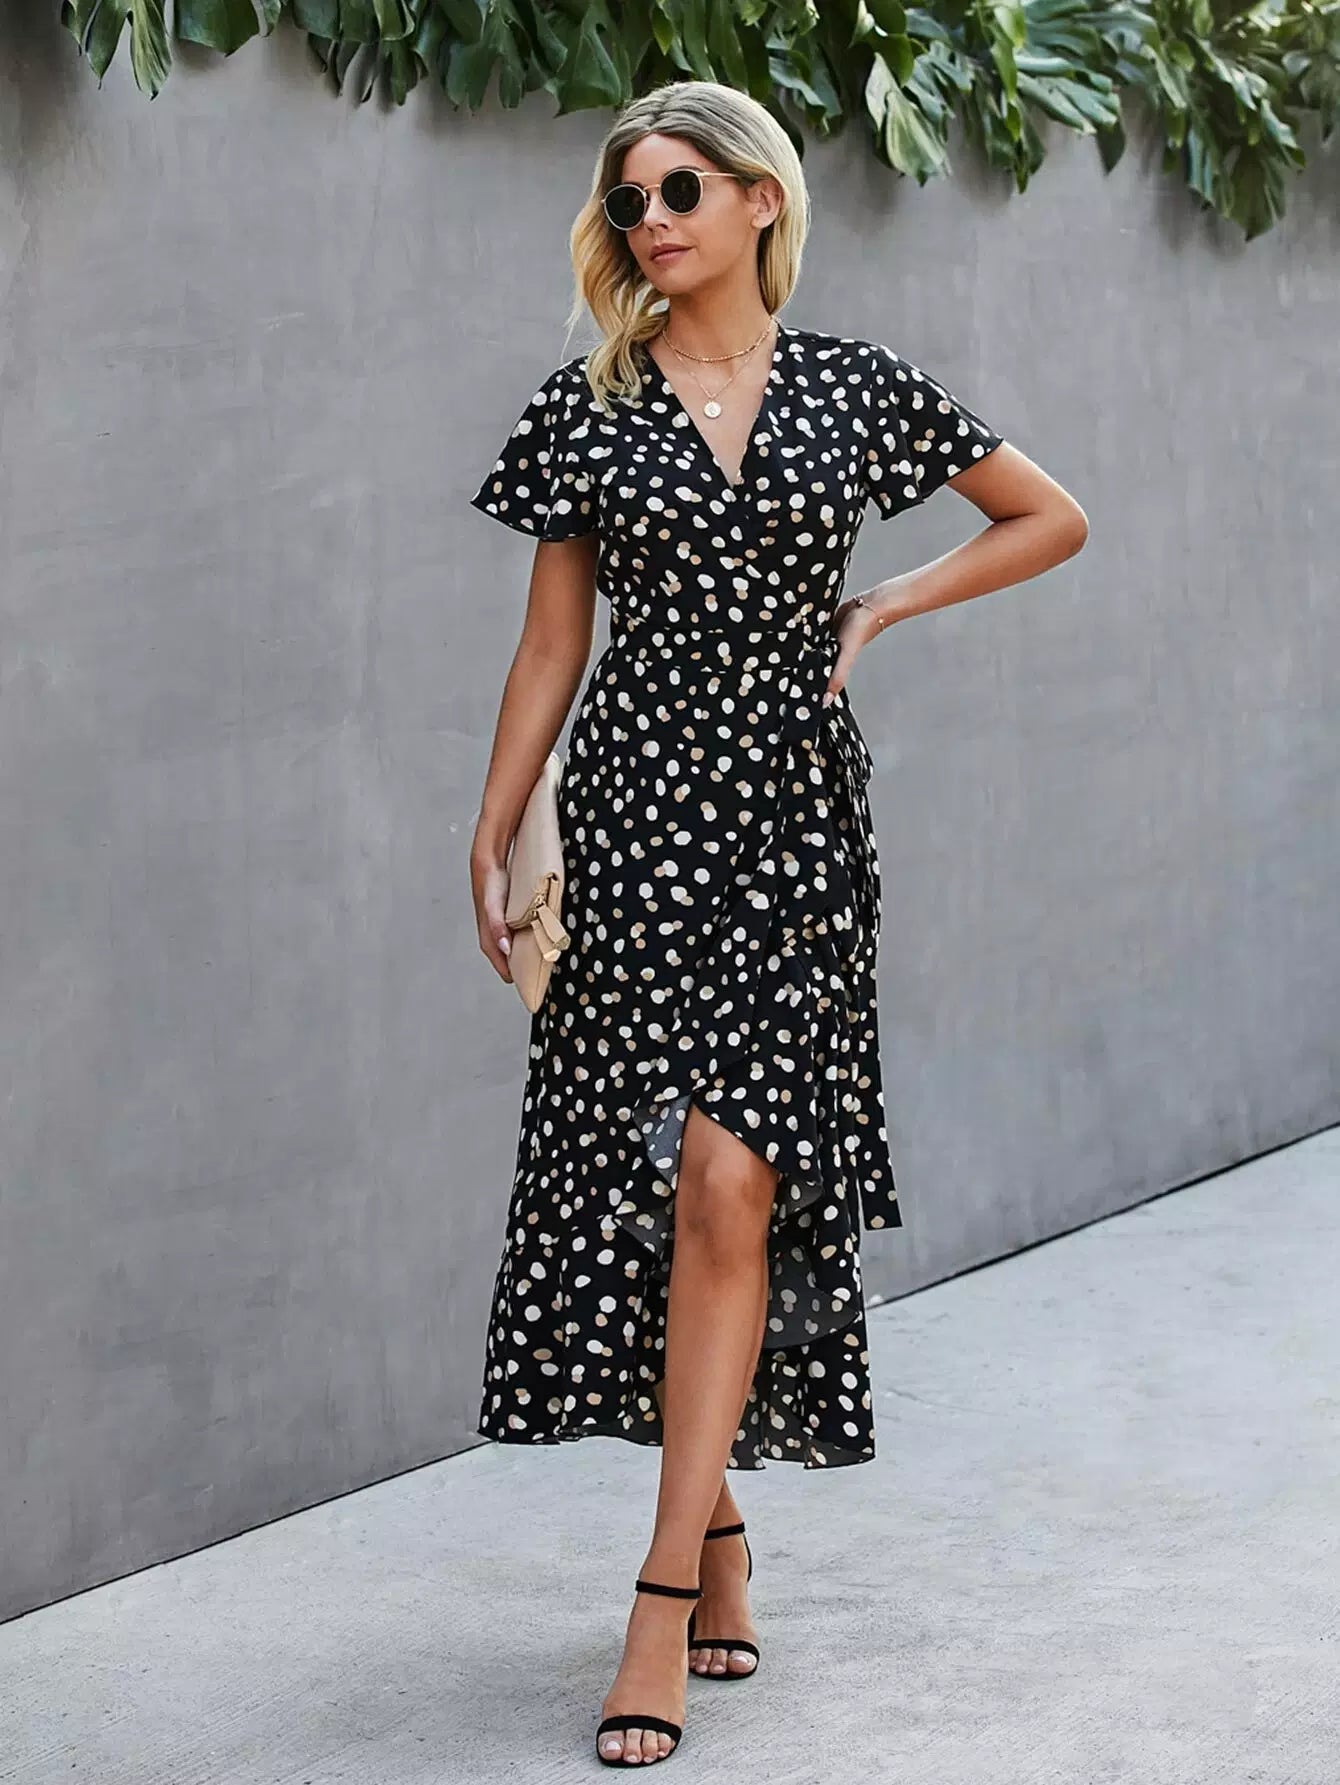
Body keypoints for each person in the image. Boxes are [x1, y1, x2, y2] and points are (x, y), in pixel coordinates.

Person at [467, 77, 1087, 1769]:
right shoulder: (586, 409)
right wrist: (496, 820)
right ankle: (720, 1529)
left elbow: (1050, 514)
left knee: (738, 1179)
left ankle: (661, 1589)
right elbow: (551, 644)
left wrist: (889, 600)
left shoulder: (852, 388)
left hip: (798, 836)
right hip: (638, 821)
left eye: (682, 187)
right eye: (628, 199)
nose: (651, 219)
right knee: (666, 1186)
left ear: (759, 199)